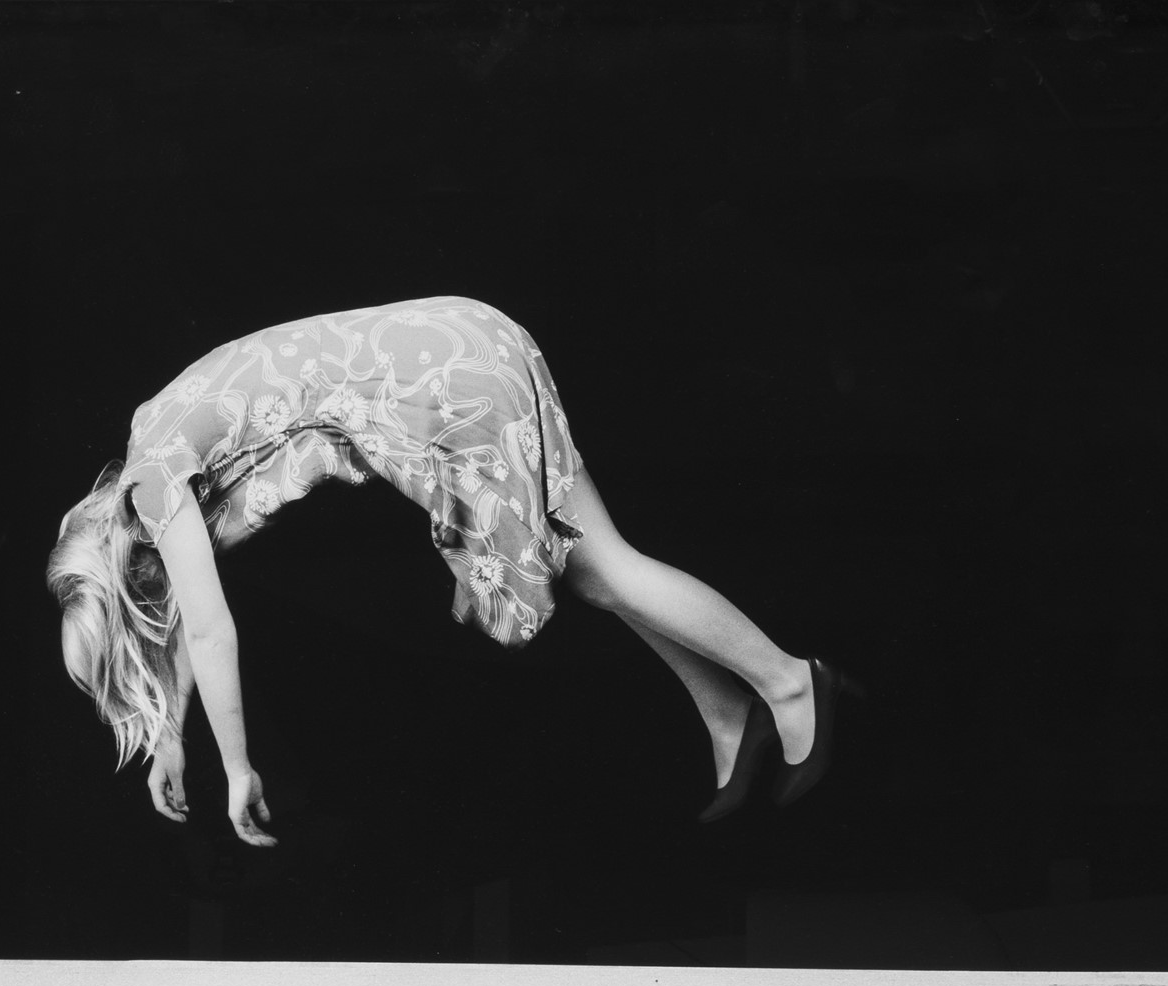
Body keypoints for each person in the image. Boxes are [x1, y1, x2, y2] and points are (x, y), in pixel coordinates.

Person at [48, 294, 846, 847]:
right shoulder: (147, 446)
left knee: (598, 567)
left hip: (444, 378)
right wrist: (170, 738)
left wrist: (234, 769)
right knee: (598, 566)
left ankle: (788, 682)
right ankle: (728, 713)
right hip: (459, 341)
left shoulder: (152, 486)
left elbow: (208, 627)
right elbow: (187, 615)